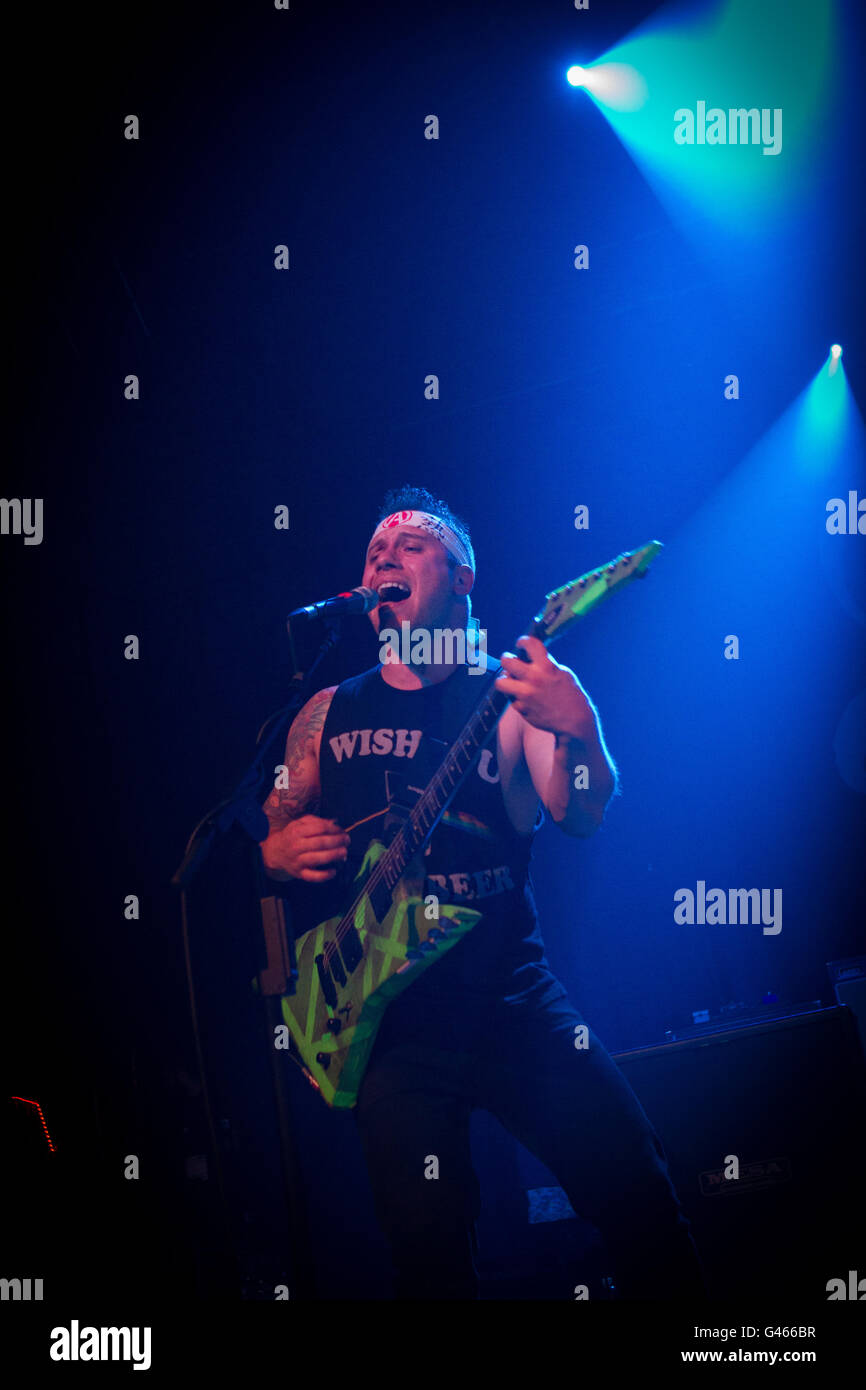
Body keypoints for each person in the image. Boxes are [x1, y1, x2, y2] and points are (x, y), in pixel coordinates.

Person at [260, 485, 706, 1301]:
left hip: (510, 999)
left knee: (638, 1192)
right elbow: (279, 808)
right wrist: (278, 847)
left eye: (413, 543)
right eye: (374, 551)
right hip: (390, 1025)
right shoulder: (327, 710)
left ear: (463, 577)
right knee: (429, 1267)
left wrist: (580, 727)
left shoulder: (515, 690)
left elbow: (580, 812)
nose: (386, 555)